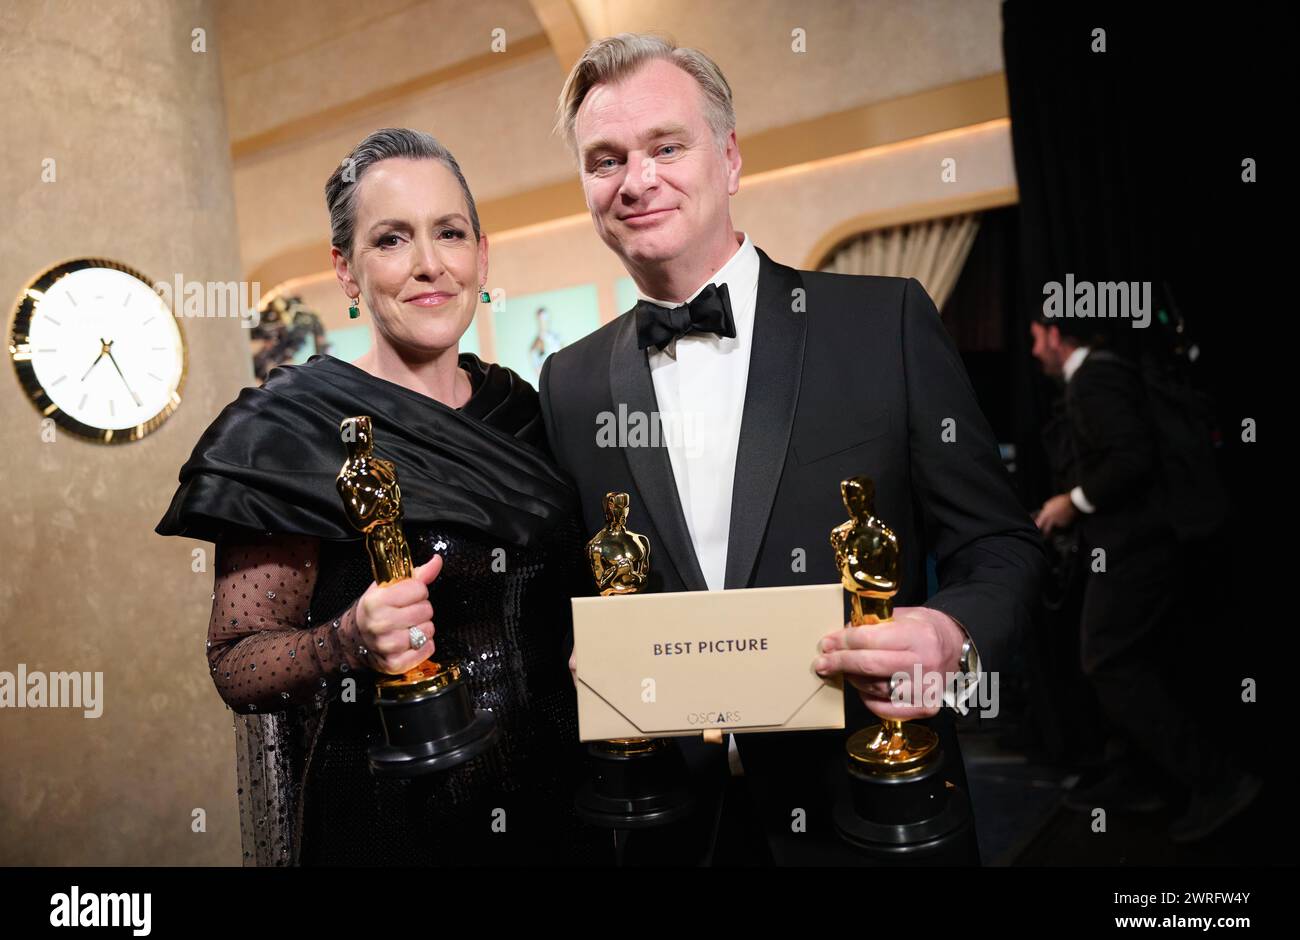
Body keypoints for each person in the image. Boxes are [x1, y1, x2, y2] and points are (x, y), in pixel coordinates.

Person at [541, 34, 1046, 865]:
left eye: (667, 146)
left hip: (868, 814)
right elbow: (576, 590)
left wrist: (951, 635)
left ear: (730, 158)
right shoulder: (569, 382)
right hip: (670, 828)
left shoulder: (882, 324)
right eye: (605, 160)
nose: (637, 180)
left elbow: (1002, 547)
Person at [156, 128, 604, 866]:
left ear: (481, 255)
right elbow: (236, 663)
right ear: (347, 270)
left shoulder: (524, 409)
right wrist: (348, 639)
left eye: (450, 233)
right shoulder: (288, 430)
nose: (430, 265)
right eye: (392, 239)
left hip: (560, 805)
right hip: (391, 821)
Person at [1029, 317, 1262, 842]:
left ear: (1057, 335)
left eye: (1035, 337)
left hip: (1138, 549)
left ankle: (1217, 780)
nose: (1033, 350)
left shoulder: (1094, 379)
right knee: (1129, 661)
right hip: (1135, 547)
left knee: (1107, 660)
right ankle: (1137, 777)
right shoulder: (1105, 376)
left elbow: (1132, 459)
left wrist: (1073, 502)